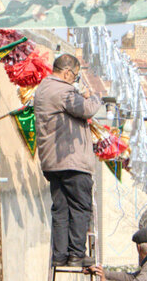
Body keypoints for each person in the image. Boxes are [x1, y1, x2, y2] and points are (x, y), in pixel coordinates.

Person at [33, 54, 102, 266]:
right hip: (71, 160)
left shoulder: (42, 89)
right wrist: (94, 97)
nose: (75, 81)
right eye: (75, 76)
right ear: (66, 73)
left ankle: (60, 255)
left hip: (52, 162)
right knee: (80, 208)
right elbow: (87, 109)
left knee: (61, 209)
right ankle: (76, 255)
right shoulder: (63, 90)